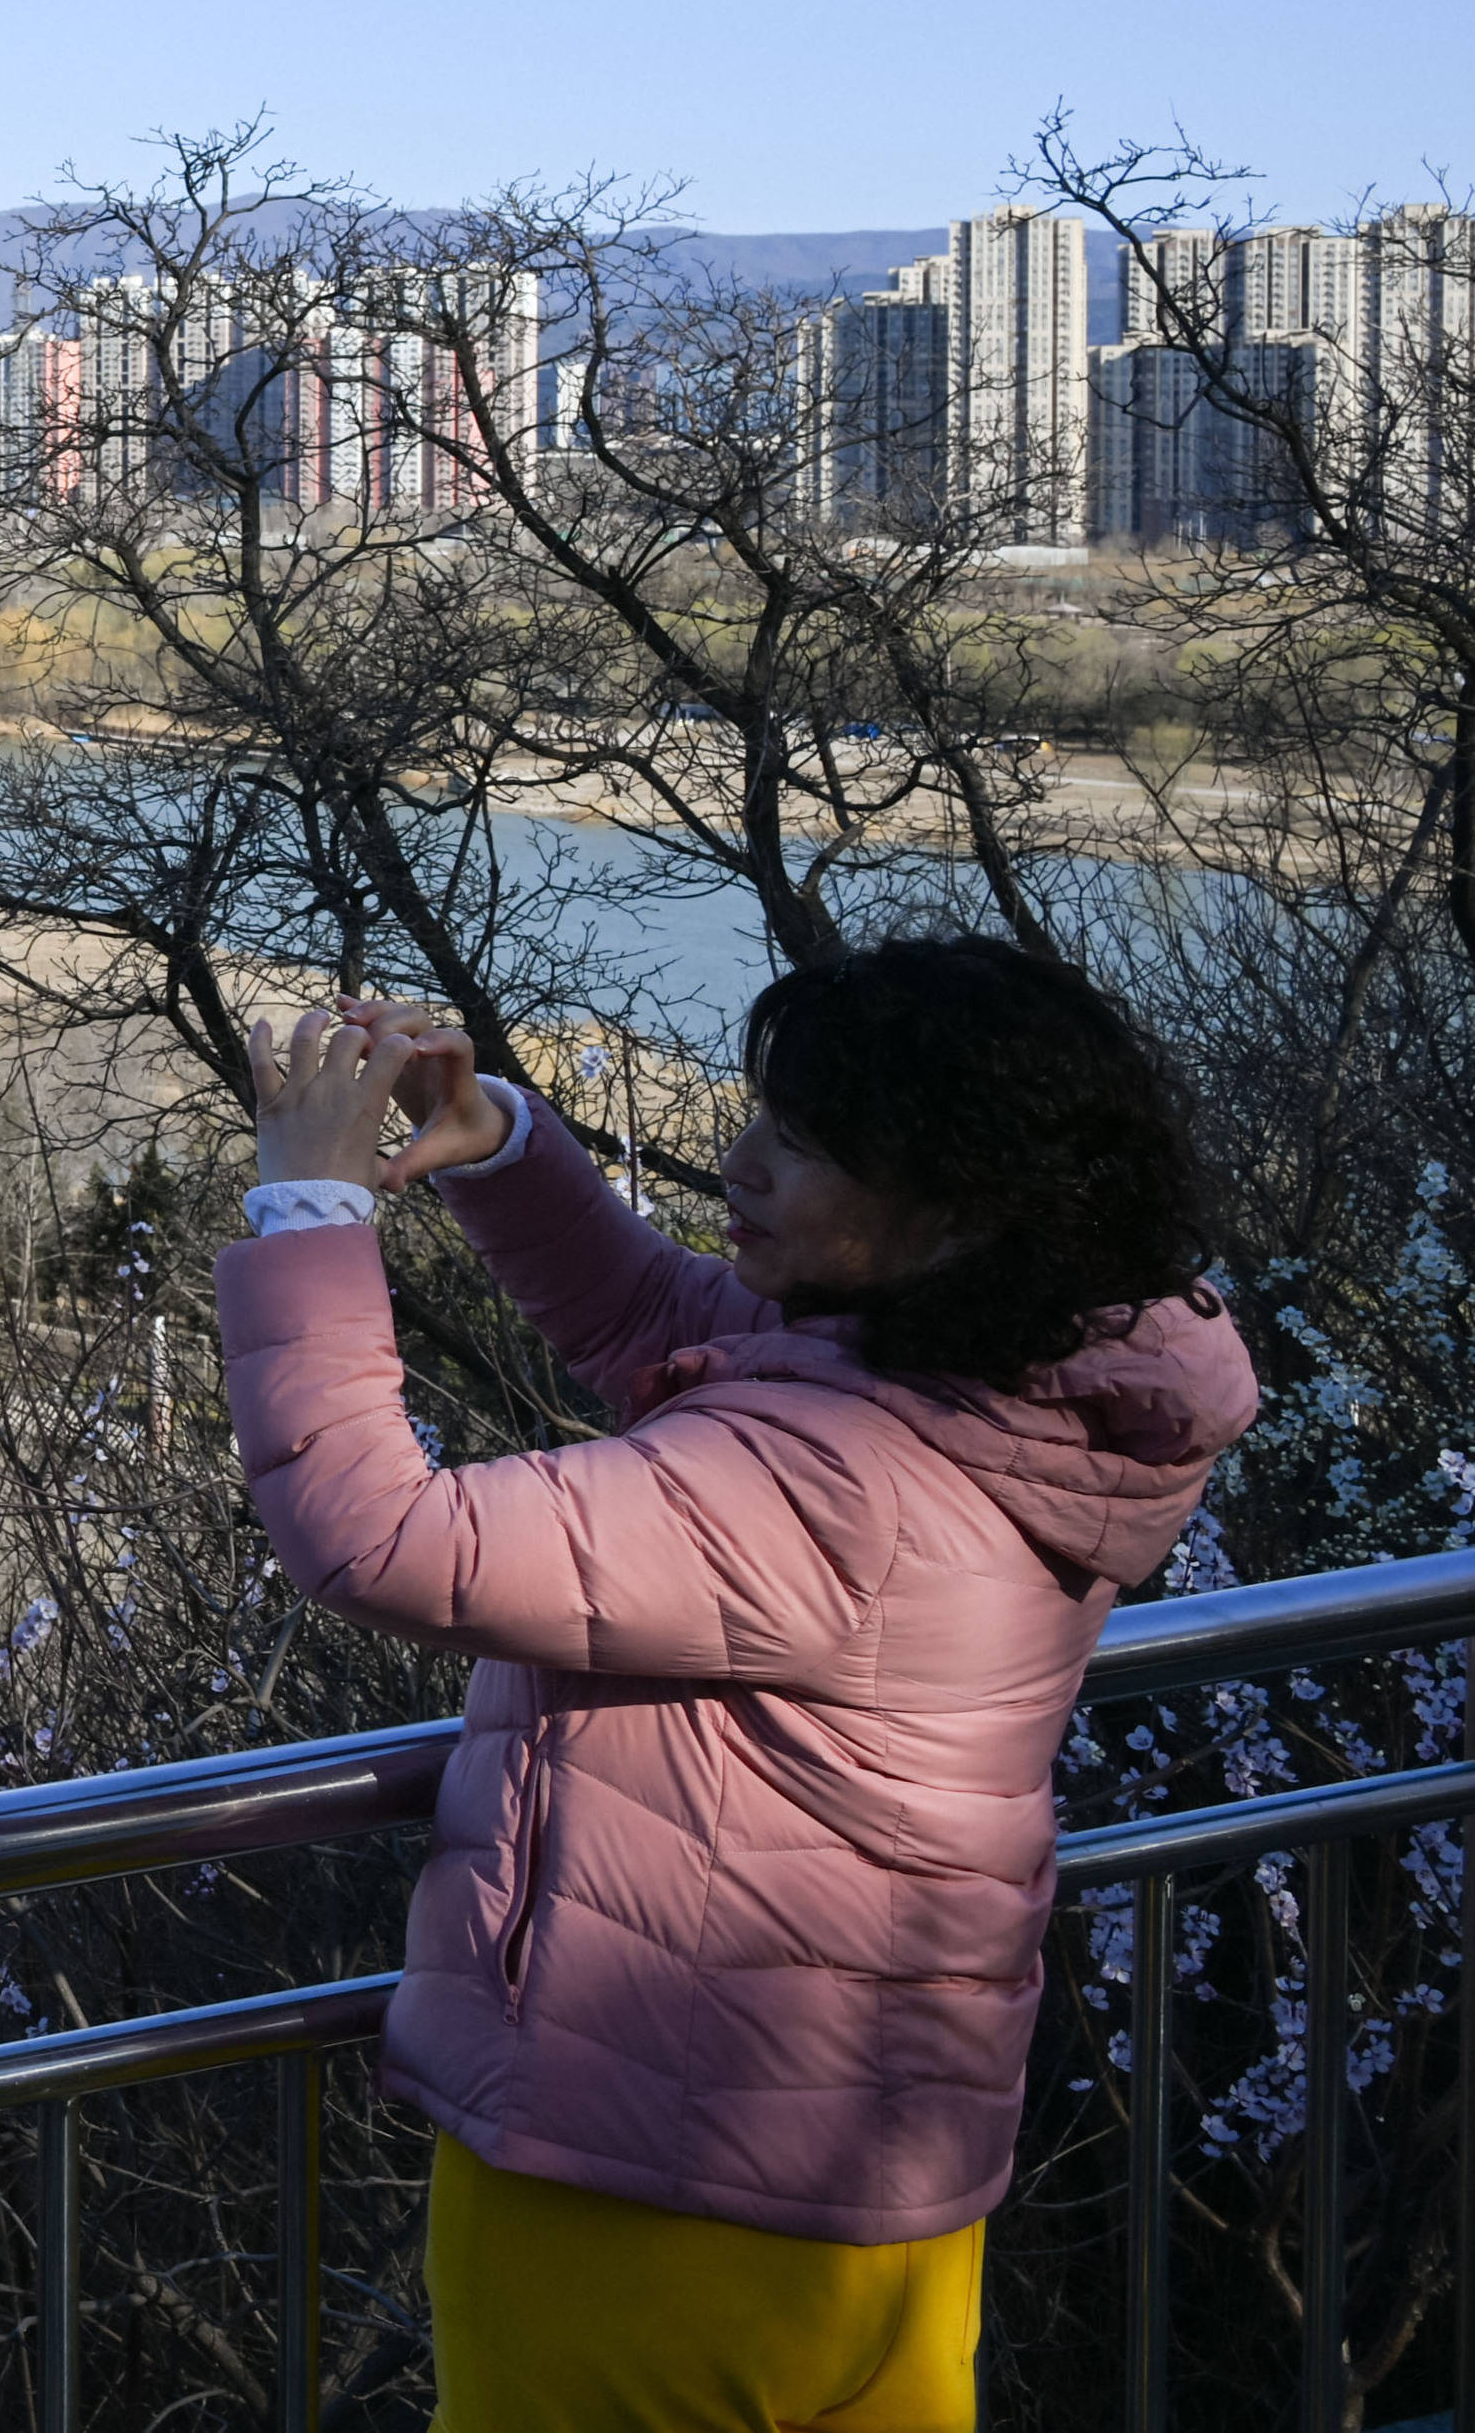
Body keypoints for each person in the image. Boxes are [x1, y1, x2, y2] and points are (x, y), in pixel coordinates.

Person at [221, 938, 1252, 2433]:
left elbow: (380, 1536)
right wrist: (498, 1146)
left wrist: (309, 1207)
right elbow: (671, 1325)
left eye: (804, 1142)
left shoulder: (839, 1485)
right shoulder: (1011, 1395)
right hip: (879, 2200)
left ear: (957, 1209)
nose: (741, 1156)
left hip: (653, 2189)